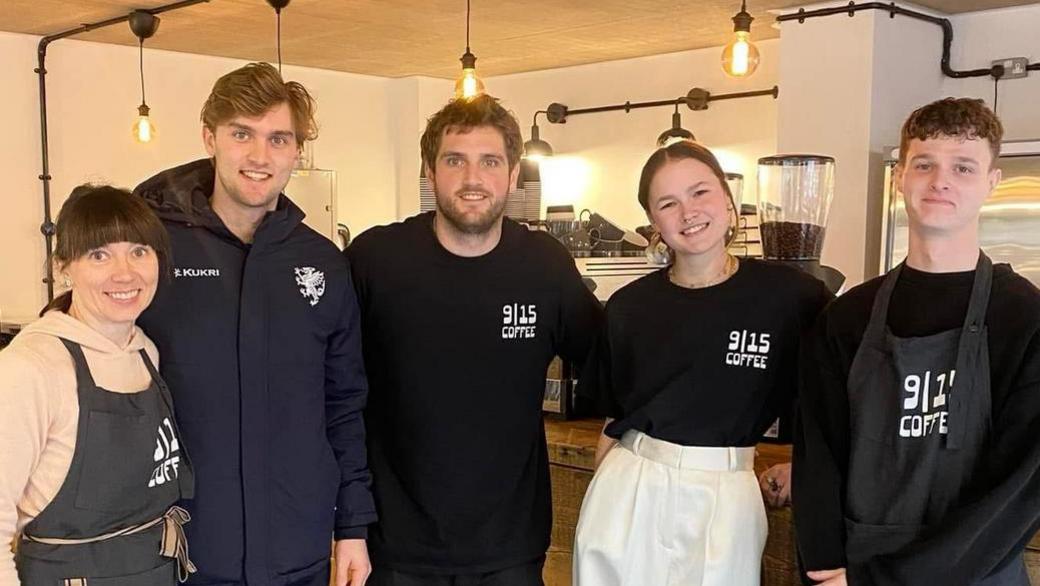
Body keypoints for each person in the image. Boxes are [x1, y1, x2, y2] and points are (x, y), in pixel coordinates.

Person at [133, 62, 375, 586]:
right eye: (242, 133)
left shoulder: (323, 263)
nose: (260, 156)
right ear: (210, 138)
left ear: (297, 152)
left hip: (297, 551)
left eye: (278, 138)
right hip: (178, 553)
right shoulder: (152, 250)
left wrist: (352, 524)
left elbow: (344, 405)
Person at [345, 94, 603, 586]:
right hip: (395, 547)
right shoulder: (377, 260)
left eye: (489, 162)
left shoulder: (543, 265)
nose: (472, 179)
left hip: (509, 550)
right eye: (454, 160)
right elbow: (331, 387)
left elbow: (610, 362)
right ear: (430, 171)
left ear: (511, 174)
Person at [794, 97, 1040, 585]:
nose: (940, 180)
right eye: (924, 163)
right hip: (852, 570)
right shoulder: (845, 318)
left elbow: (1019, 485)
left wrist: (888, 580)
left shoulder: (1025, 319)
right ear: (899, 176)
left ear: (991, 182)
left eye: (963, 167)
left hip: (974, 574)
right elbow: (818, 455)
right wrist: (825, 570)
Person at [572, 140, 831, 586]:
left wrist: (804, 468)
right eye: (667, 203)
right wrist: (601, 495)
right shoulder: (629, 307)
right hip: (630, 485)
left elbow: (837, 397)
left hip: (727, 489)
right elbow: (614, 419)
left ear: (729, 203)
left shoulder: (791, 297)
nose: (688, 212)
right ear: (654, 223)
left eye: (700, 193)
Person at [0, 185, 194, 585]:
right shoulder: (32, 366)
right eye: (99, 254)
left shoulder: (146, 352)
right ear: (63, 267)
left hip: (157, 570)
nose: (125, 273)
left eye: (139, 251)